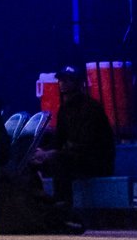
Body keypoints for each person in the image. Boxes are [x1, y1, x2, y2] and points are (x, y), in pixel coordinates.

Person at [33, 68, 116, 209]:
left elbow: (88, 144)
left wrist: (53, 153)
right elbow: (59, 140)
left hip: (96, 161)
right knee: (34, 161)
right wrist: (42, 152)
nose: (62, 83)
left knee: (58, 160)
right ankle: (35, 204)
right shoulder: (64, 109)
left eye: (67, 80)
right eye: (61, 80)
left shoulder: (91, 108)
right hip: (77, 156)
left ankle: (63, 203)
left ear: (77, 82)